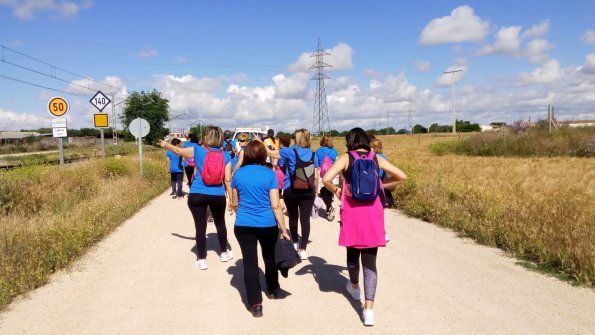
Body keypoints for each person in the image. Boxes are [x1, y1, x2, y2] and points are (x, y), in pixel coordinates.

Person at [322, 127, 407, 327]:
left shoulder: (346, 158)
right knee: (370, 261)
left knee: (352, 251)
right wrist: (380, 185)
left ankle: (354, 287)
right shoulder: (375, 157)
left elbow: (326, 178)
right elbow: (402, 176)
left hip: (352, 211)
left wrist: (336, 190)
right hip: (373, 212)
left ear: (350, 141)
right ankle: (369, 311)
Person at [230, 141, 290, 317]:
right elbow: (275, 205)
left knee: (250, 262)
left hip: (244, 224)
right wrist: (283, 229)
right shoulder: (269, 174)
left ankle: (256, 304)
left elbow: (234, 203)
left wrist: (241, 212)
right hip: (267, 224)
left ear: (246, 154)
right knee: (269, 257)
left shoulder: (238, 174)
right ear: (264, 155)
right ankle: (272, 289)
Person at [160, 126, 233, 270]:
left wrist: (166, 144)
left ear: (208, 137)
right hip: (217, 195)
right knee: (220, 224)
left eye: (205, 135)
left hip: (198, 193)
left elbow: (178, 150)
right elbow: (228, 180)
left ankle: (202, 260)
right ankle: (224, 253)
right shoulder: (226, 156)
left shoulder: (197, 150)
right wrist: (232, 199)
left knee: (200, 227)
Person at [266, 129, 318, 260]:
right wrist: (314, 192)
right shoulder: (313, 154)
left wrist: (261, 141)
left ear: (296, 139)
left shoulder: (289, 151)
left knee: (293, 218)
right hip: (308, 191)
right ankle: (303, 249)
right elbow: (316, 177)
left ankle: (294, 243)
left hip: (291, 189)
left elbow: (270, 152)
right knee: (305, 220)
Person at [315, 134, 339, 221]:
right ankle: (329, 206)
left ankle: (329, 207)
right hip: (332, 173)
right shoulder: (334, 151)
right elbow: (337, 162)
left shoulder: (318, 151)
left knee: (323, 191)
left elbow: (316, 163)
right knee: (330, 190)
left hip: (322, 173)